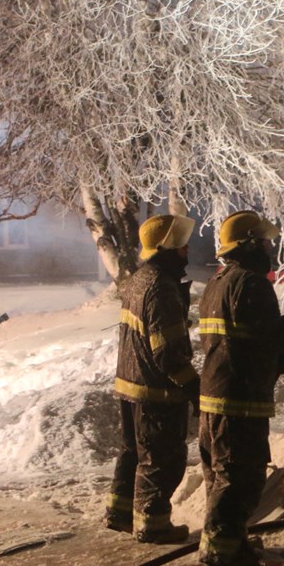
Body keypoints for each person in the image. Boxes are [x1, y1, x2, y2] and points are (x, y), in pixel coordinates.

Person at [196, 210, 284, 566]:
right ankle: (223, 552)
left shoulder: (217, 282)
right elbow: (270, 334)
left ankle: (226, 541)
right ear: (250, 244)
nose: (269, 247)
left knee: (220, 476)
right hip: (239, 397)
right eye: (265, 241)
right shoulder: (251, 283)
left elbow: (243, 339)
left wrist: (283, 351)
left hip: (215, 393)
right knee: (241, 476)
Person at [106, 212, 199, 544]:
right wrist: (194, 387)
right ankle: (153, 524)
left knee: (133, 451)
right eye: (182, 246)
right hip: (155, 391)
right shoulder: (161, 287)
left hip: (131, 384)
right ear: (169, 248)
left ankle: (120, 512)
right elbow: (169, 353)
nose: (188, 250)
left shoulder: (139, 279)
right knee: (162, 458)